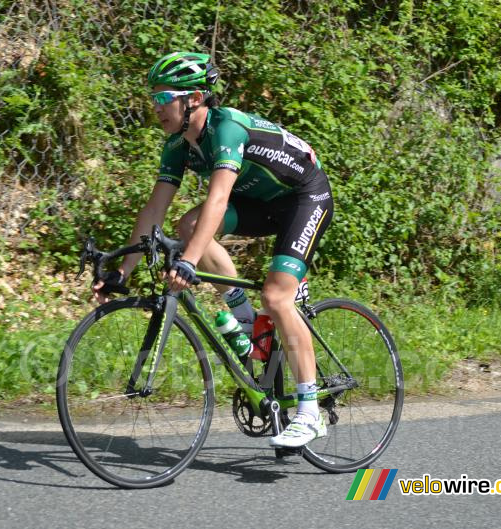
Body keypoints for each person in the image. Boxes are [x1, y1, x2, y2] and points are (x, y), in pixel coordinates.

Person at [93, 51, 334, 448]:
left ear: (194, 99)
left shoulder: (227, 129)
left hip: (304, 198)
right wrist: (123, 271)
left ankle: (310, 413)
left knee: (276, 296)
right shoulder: (179, 144)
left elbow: (219, 200)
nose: (155, 107)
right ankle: (243, 318)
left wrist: (188, 262)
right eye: (151, 98)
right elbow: (155, 210)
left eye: (162, 97)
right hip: (261, 204)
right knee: (188, 226)